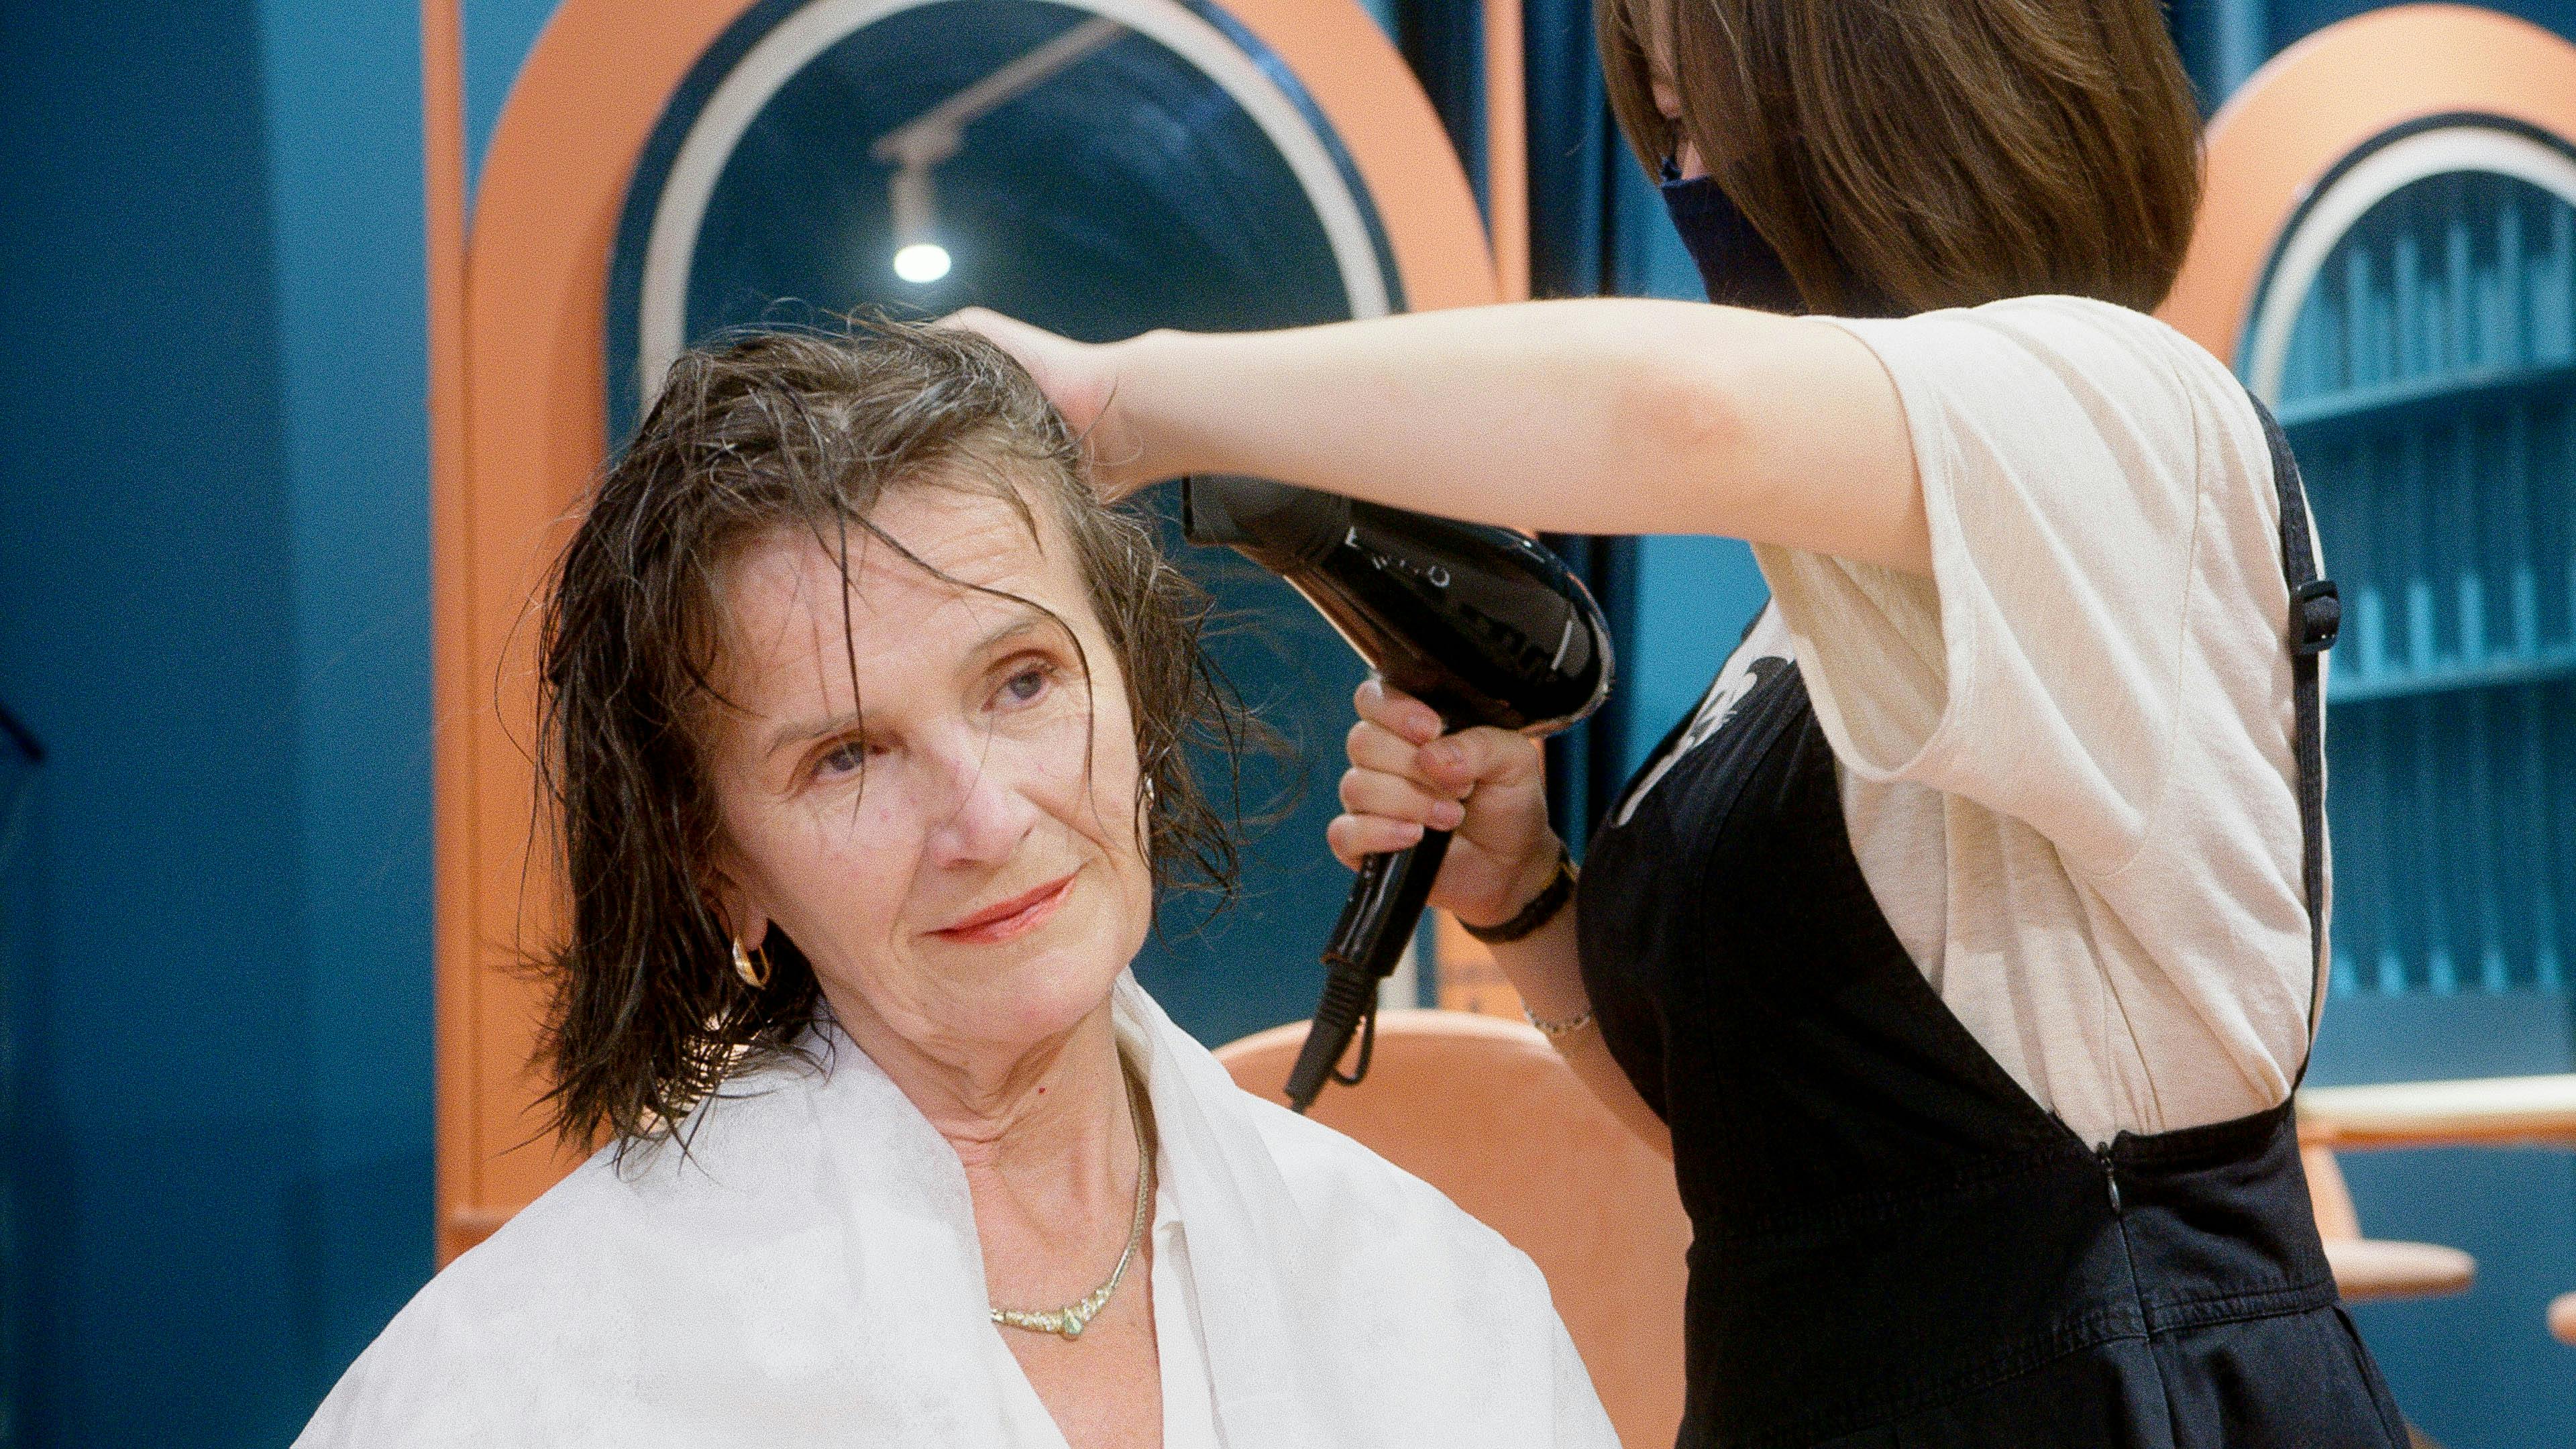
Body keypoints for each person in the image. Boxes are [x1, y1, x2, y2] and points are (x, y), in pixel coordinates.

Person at [949, 0, 2410, 1444]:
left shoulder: (2132, 416)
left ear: (1911, 91)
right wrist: (1522, 895)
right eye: (1662, 118)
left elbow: (1687, 419)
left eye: (1699, 108)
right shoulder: (1818, 622)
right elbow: (1754, 1150)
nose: (1683, 174)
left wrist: (1121, 406)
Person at [294, 323, 1617, 1449]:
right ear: (721, 869)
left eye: (1024, 682)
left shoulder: (1440, 1304)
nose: (984, 819)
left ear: (1132, 686)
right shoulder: (520, 1389)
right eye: (847, 756)